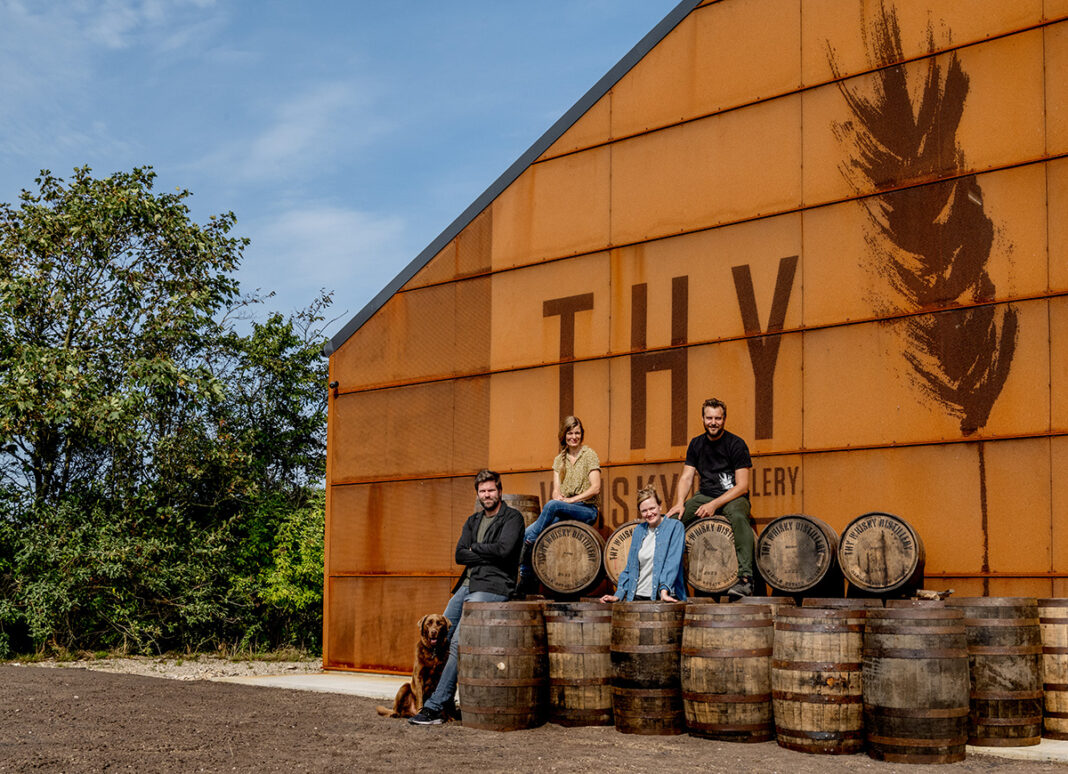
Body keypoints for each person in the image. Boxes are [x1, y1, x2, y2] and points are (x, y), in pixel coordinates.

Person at [409, 469, 524, 726]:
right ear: (478, 494)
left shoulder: (512, 518)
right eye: (482, 491)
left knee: (459, 640)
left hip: (494, 586)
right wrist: (483, 552)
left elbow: (505, 551)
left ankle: (436, 707)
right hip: (467, 585)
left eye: (491, 490)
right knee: (438, 635)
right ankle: (441, 700)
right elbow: (460, 555)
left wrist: (476, 549)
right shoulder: (472, 521)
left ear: (499, 491)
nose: (487, 495)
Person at [665, 397, 754, 598]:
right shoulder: (696, 444)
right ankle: (665, 581)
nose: (713, 422)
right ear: (703, 418)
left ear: (724, 419)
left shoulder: (736, 444)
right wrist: (679, 502)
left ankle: (746, 579)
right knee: (671, 523)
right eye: (709, 418)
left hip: (732, 497)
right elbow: (687, 476)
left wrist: (715, 504)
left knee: (739, 519)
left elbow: (743, 486)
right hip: (704, 495)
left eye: (717, 418)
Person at [519, 416, 601, 583]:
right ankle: (526, 576)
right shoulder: (559, 460)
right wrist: (558, 495)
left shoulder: (589, 455)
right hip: (564, 509)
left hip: (586, 510)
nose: (574, 437)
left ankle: (532, 541)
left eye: (577, 433)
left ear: (581, 435)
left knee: (547, 512)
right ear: (564, 435)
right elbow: (556, 490)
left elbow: (595, 488)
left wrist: (570, 501)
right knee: (525, 533)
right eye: (570, 433)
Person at [600, 486, 686, 603]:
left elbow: (672, 563)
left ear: (660, 506)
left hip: (662, 597)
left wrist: (664, 590)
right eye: (644, 511)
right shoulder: (639, 530)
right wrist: (618, 594)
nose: (649, 513)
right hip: (636, 596)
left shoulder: (675, 527)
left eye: (652, 508)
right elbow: (631, 566)